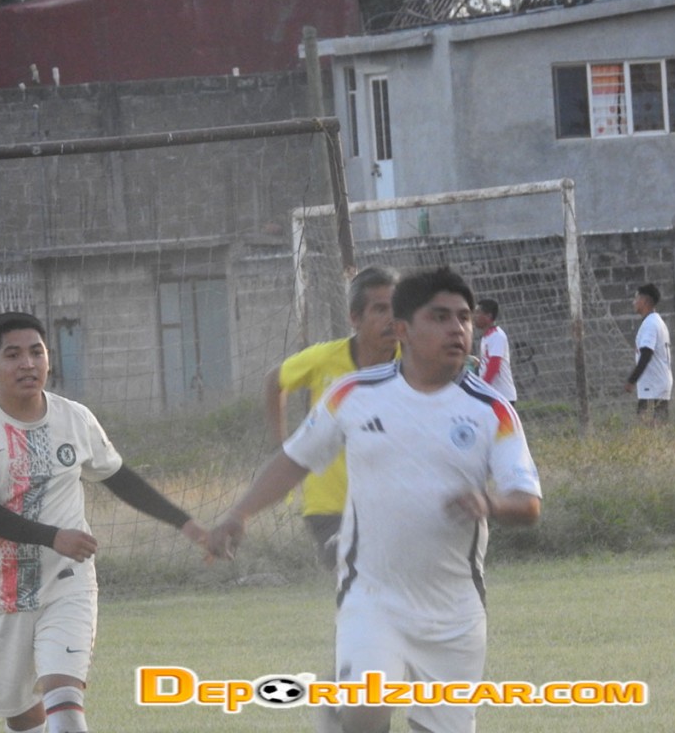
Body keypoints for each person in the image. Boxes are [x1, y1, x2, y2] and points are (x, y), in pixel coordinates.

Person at [208, 267, 542, 733]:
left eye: (464, 318)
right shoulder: (354, 394)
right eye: (440, 317)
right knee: (366, 711)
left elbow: (528, 502)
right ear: (403, 329)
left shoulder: (492, 410)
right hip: (371, 597)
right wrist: (239, 513)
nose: (457, 329)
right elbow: (295, 459)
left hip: (455, 612)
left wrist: (492, 504)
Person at [0, 311, 207, 733]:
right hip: (1, 589)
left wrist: (185, 523)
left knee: (64, 700)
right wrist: (54, 536)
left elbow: (120, 478)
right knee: (22, 716)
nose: (28, 364)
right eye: (13, 355)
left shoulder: (75, 418)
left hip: (68, 582)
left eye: (37, 352)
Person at [264, 265, 397, 568]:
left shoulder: (415, 365)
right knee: (357, 574)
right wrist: (281, 446)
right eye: (380, 310)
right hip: (330, 506)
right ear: (355, 318)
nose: (391, 318)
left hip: (391, 506)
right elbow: (274, 381)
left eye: (397, 309)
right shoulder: (324, 359)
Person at [624, 283, 672, 425]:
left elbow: (646, 355)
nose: (634, 302)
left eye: (636, 298)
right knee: (659, 426)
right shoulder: (657, 321)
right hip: (659, 383)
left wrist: (632, 380)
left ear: (644, 301)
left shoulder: (650, 324)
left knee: (646, 427)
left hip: (652, 385)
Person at [473, 298, 517, 404]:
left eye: (478, 313)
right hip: (492, 394)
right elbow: (488, 362)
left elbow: (494, 366)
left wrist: (481, 388)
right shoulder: (486, 337)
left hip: (502, 396)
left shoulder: (497, 336)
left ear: (488, 316)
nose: (474, 316)